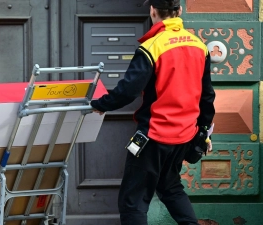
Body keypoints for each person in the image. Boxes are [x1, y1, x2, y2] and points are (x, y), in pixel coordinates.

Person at [90, 0, 215, 224]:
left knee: (133, 201)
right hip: (184, 136)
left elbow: (128, 91)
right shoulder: (199, 46)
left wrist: (100, 104)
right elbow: (207, 96)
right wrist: (204, 132)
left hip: (154, 137)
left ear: (152, 11)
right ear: (180, 11)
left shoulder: (152, 47)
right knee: (171, 188)